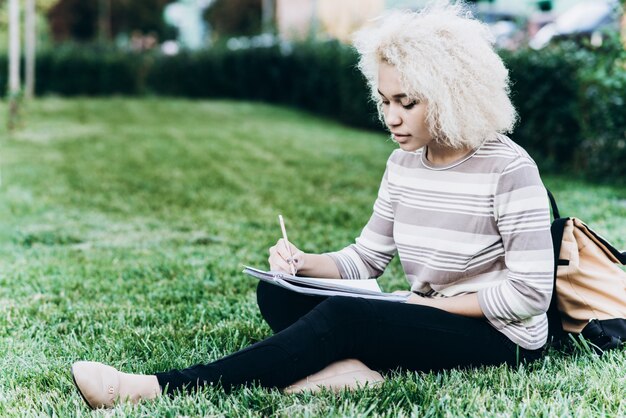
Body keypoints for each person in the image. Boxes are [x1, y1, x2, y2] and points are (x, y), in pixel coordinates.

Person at [70, 2, 555, 409]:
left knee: (346, 320)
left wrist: (427, 304)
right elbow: (365, 259)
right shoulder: (404, 164)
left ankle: (154, 388)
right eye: (385, 101)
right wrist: (303, 264)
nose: (391, 118)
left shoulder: (508, 170)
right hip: (425, 314)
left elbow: (529, 295)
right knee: (280, 295)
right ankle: (351, 370)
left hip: (500, 338)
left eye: (407, 103)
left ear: (452, 96)